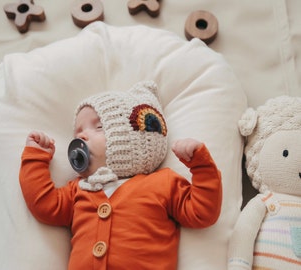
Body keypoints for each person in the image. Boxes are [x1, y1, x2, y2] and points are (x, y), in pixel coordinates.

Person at [19, 81, 222, 270]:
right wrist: (37, 158)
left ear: (130, 138)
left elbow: (202, 212)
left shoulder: (162, 183)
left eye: (98, 127)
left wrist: (201, 167)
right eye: (77, 133)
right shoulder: (78, 190)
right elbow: (43, 203)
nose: (81, 136)